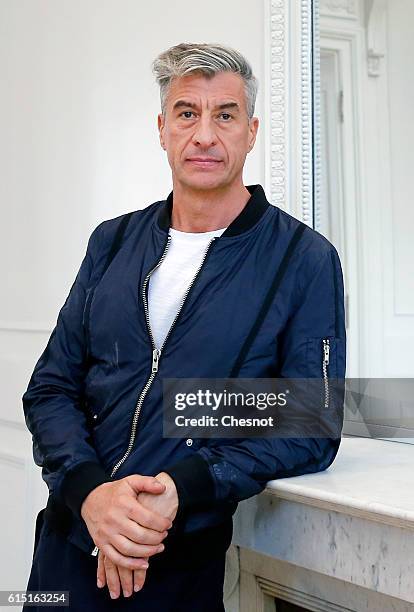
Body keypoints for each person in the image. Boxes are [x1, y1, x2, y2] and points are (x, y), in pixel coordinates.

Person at [22, 43, 346, 611]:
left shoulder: (303, 259)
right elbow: (51, 387)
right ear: (162, 129)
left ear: (251, 131)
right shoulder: (113, 240)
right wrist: (91, 493)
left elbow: (310, 421)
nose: (204, 134)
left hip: (180, 562)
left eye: (224, 115)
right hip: (67, 544)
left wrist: (180, 489)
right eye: (186, 113)